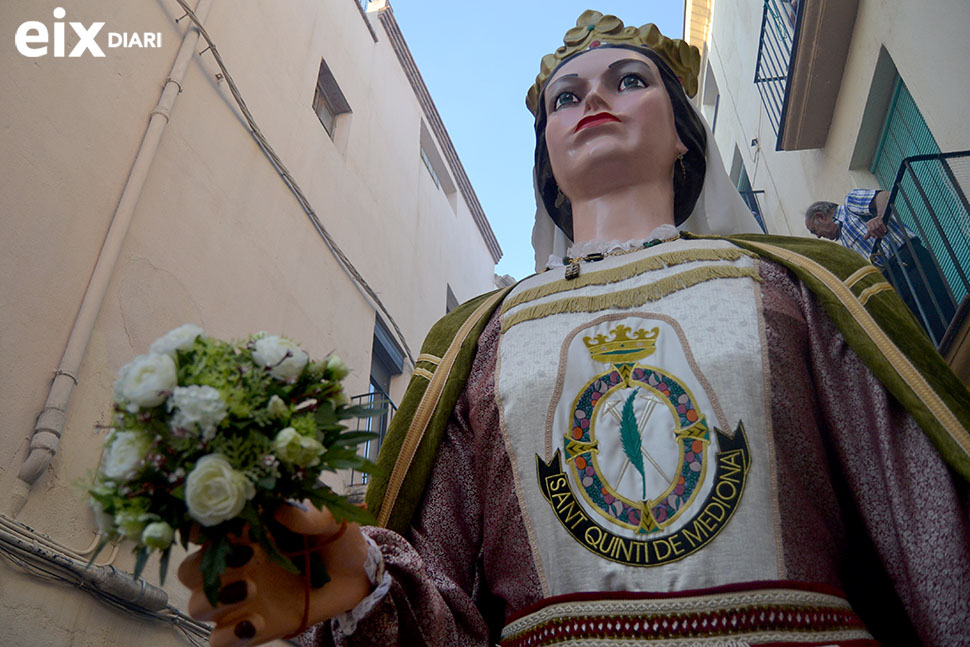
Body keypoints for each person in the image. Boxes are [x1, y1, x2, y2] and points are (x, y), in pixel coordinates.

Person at [179, 11, 970, 647]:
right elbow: (446, 608)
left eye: (629, 81)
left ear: (686, 133)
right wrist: (352, 574)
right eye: (567, 96)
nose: (594, 100)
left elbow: (926, 532)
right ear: (547, 156)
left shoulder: (794, 285)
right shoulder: (480, 337)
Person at [805, 190, 956, 341]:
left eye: (814, 230)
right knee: (928, 326)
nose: (818, 236)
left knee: (940, 309)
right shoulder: (844, 239)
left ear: (821, 216)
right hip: (893, 278)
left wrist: (880, 218)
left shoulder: (850, 205)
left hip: (906, 261)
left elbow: (884, 195)